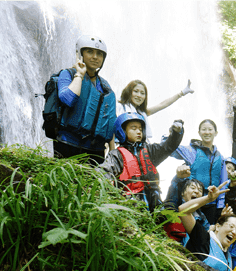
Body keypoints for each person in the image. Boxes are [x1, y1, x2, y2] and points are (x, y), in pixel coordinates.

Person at [96, 112, 183, 212]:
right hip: (130, 207)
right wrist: (93, 176)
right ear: (122, 131)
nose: (138, 132)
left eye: (140, 129)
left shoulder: (151, 151)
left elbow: (168, 147)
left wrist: (176, 134)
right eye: (134, 128)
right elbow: (106, 169)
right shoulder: (117, 154)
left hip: (154, 205)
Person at [54, 35, 115, 164]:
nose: (95, 57)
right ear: (80, 54)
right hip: (68, 143)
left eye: (99, 54)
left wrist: (112, 150)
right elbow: (68, 99)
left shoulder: (105, 86)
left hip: (96, 150)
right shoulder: (68, 74)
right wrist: (80, 74)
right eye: (89, 52)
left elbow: (109, 118)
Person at [170, 117, 230, 224]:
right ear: (199, 132)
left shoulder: (220, 157)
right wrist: (174, 133)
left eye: (210, 129)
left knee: (207, 235)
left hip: (211, 204)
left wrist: (220, 206)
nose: (207, 132)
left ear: (216, 133)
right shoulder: (191, 151)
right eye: (204, 129)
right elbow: (169, 148)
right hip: (193, 201)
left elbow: (223, 182)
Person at [178, 180, 236, 271]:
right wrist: (208, 198)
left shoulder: (228, 254)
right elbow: (183, 211)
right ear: (217, 226)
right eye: (231, 226)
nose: (234, 232)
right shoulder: (203, 239)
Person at [117, 79, 193, 142]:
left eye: (142, 93)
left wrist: (181, 93)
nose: (139, 95)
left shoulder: (142, 113)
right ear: (129, 92)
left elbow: (162, 104)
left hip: (141, 148)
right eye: (136, 91)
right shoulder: (119, 107)